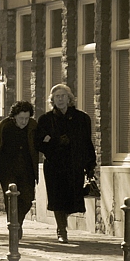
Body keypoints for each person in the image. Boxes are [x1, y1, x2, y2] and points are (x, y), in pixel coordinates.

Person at [35, 83, 96, 243]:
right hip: (54, 166)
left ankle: (63, 222)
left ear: (69, 98)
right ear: (52, 100)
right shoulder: (46, 119)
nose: (60, 99)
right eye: (57, 96)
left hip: (74, 165)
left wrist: (90, 165)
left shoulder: (82, 118)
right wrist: (55, 142)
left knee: (72, 199)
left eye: (63, 96)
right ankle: (61, 229)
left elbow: (87, 142)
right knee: (57, 198)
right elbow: (40, 143)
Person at [0, 101, 39, 239]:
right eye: (21, 118)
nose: (24, 122)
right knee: (11, 199)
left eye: (27, 118)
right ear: (14, 117)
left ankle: (18, 222)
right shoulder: (4, 127)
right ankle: (14, 226)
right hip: (7, 170)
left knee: (27, 199)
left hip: (27, 169)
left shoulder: (33, 126)